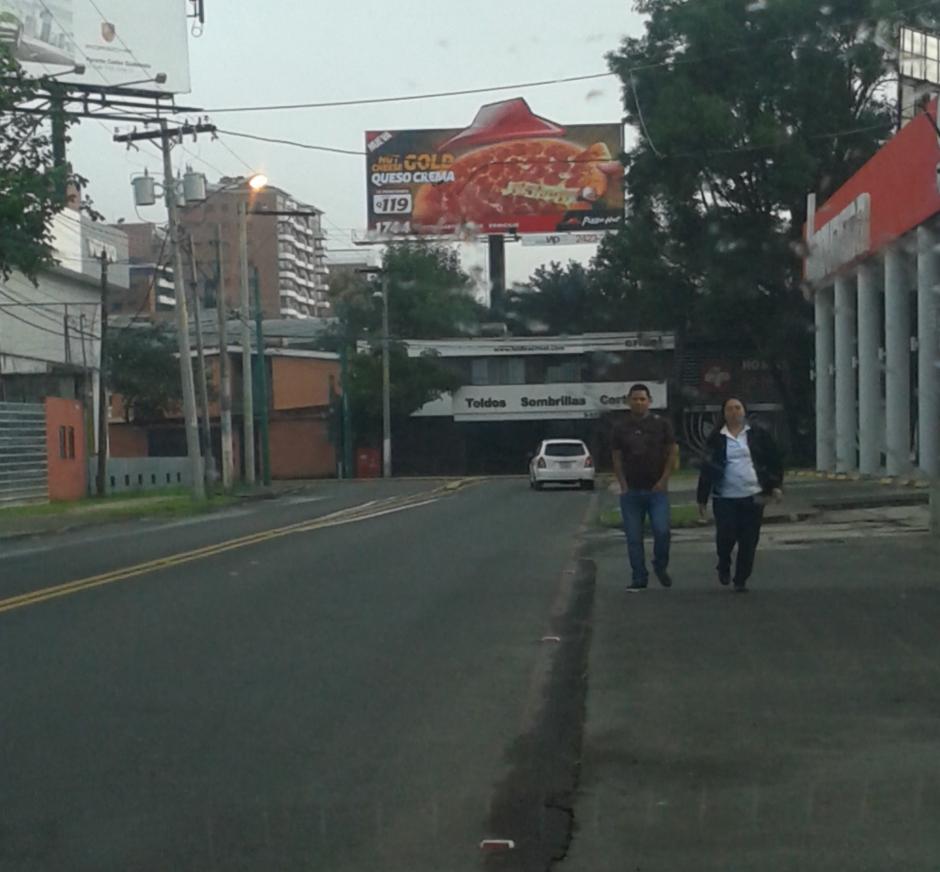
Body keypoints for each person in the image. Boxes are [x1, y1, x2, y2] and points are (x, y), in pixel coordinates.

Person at [696, 398, 784, 592]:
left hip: (753, 494)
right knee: (726, 535)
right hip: (725, 496)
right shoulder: (716, 438)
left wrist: (776, 485)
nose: (734, 412)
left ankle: (741, 578)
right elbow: (706, 468)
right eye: (729, 409)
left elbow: (773, 461)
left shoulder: (758, 435)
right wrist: (701, 498)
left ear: (744, 411)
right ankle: (724, 563)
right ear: (724, 413)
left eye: (738, 408)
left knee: (749, 539)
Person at [611, 384, 678, 591]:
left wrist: (664, 479)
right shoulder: (620, 427)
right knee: (633, 537)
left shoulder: (662, 424)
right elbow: (617, 457)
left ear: (649, 401)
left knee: (662, 531)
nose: (639, 402)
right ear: (628, 401)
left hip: (656, 490)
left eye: (642, 399)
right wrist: (622, 484)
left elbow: (672, 452)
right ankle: (639, 577)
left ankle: (660, 565)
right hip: (631, 492)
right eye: (635, 399)